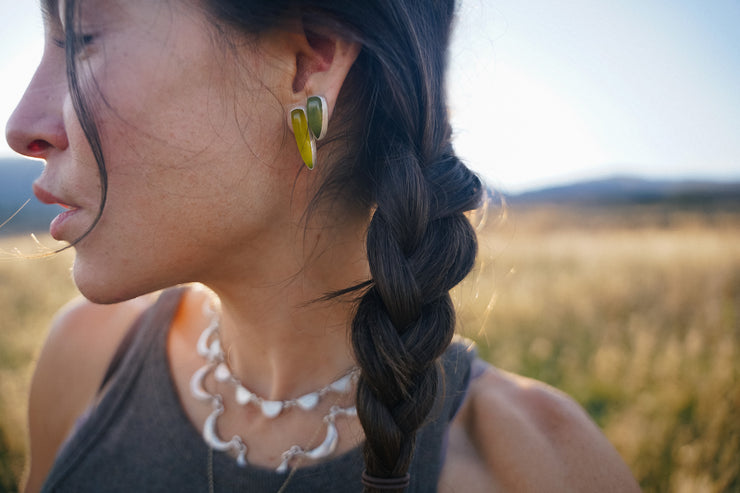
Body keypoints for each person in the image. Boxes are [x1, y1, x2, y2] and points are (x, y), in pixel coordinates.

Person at [5, 1, 641, 492]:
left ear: (308, 62)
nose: (21, 126)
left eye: (83, 38)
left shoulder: (539, 466)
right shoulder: (83, 359)